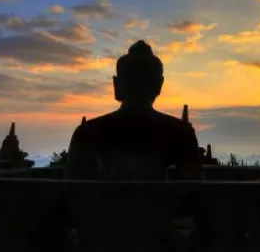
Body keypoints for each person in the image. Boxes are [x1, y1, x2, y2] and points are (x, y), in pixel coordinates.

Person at [64, 40, 203, 181]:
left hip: (104, 202)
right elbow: (194, 191)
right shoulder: (180, 132)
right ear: (158, 85)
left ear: (116, 85)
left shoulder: (87, 132)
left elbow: (71, 191)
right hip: (157, 203)